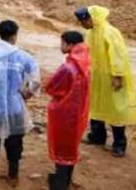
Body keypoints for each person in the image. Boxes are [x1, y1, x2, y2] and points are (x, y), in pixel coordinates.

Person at [0, 20, 40, 186]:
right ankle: (13, 176)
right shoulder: (24, 57)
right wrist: (27, 93)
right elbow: (35, 80)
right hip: (14, 107)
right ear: (14, 36)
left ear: (0, 34)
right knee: (14, 141)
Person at [76, 6, 136, 157]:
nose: (82, 25)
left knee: (116, 109)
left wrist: (117, 76)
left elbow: (118, 55)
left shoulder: (110, 32)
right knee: (96, 105)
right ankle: (97, 136)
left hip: (111, 77)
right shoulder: (90, 33)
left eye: (83, 21)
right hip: (96, 77)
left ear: (91, 18)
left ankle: (119, 144)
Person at [45, 31, 91, 190]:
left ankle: (60, 183)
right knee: (71, 147)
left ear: (70, 45)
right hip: (79, 113)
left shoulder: (68, 67)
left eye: (62, 43)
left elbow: (51, 87)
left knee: (61, 149)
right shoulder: (86, 63)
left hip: (63, 113)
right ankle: (65, 179)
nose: (61, 46)